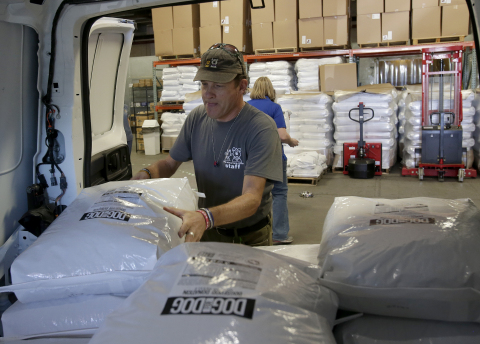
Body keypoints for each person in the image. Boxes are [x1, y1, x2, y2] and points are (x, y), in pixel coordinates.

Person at [131, 43, 283, 246]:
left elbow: (251, 199)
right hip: (206, 231)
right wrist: (145, 175)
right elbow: (169, 164)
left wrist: (204, 217)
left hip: (248, 237)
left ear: (242, 86)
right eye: (204, 84)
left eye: (218, 85)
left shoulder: (260, 128)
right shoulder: (197, 118)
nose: (207, 94)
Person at [248, 77, 299, 245]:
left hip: (249, 158)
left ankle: (251, 233)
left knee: (250, 194)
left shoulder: (245, 107)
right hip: (273, 158)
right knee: (279, 193)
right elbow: (282, 135)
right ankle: (279, 234)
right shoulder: (274, 107)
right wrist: (291, 141)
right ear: (271, 91)